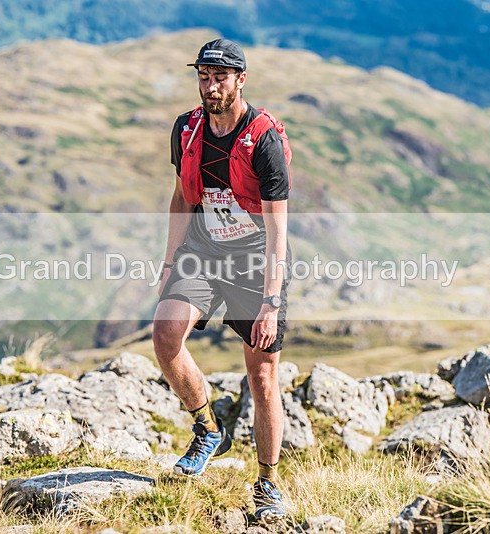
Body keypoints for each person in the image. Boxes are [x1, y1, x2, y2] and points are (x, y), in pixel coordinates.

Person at [152, 38, 292, 523]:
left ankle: (268, 482)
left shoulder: (264, 140)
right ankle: (208, 429)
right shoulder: (186, 129)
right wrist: (169, 263)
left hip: (254, 260)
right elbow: (180, 197)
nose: (211, 87)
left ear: (240, 81)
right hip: (203, 252)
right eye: (204, 77)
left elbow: (277, 228)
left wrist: (271, 302)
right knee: (165, 334)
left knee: (263, 376)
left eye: (220, 79)